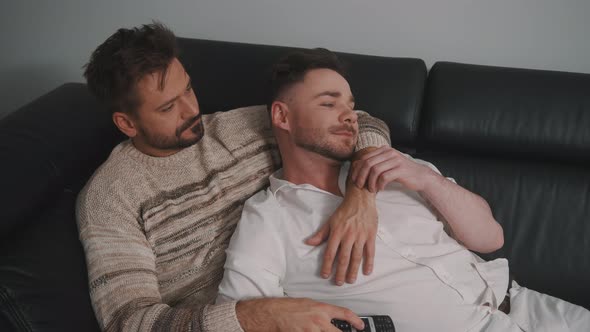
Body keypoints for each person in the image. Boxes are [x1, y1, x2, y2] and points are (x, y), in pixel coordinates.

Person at [216, 48, 590, 332]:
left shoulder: (395, 166)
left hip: (528, 306)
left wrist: (428, 180)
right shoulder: (268, 219)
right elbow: (241, 315)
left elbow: (491, 238)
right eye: (329, 103)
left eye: (351, 104)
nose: (349, 115)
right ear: (281, 116)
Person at [76, 22, 394, 331]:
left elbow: (362, 122)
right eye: (168, 107)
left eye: (187, 88)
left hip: (312, 291)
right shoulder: (109, 197)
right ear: (127, 124)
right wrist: (257, 317)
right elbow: (129, 323)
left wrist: (361, 196)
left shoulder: (236, 128)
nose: (190, 110)